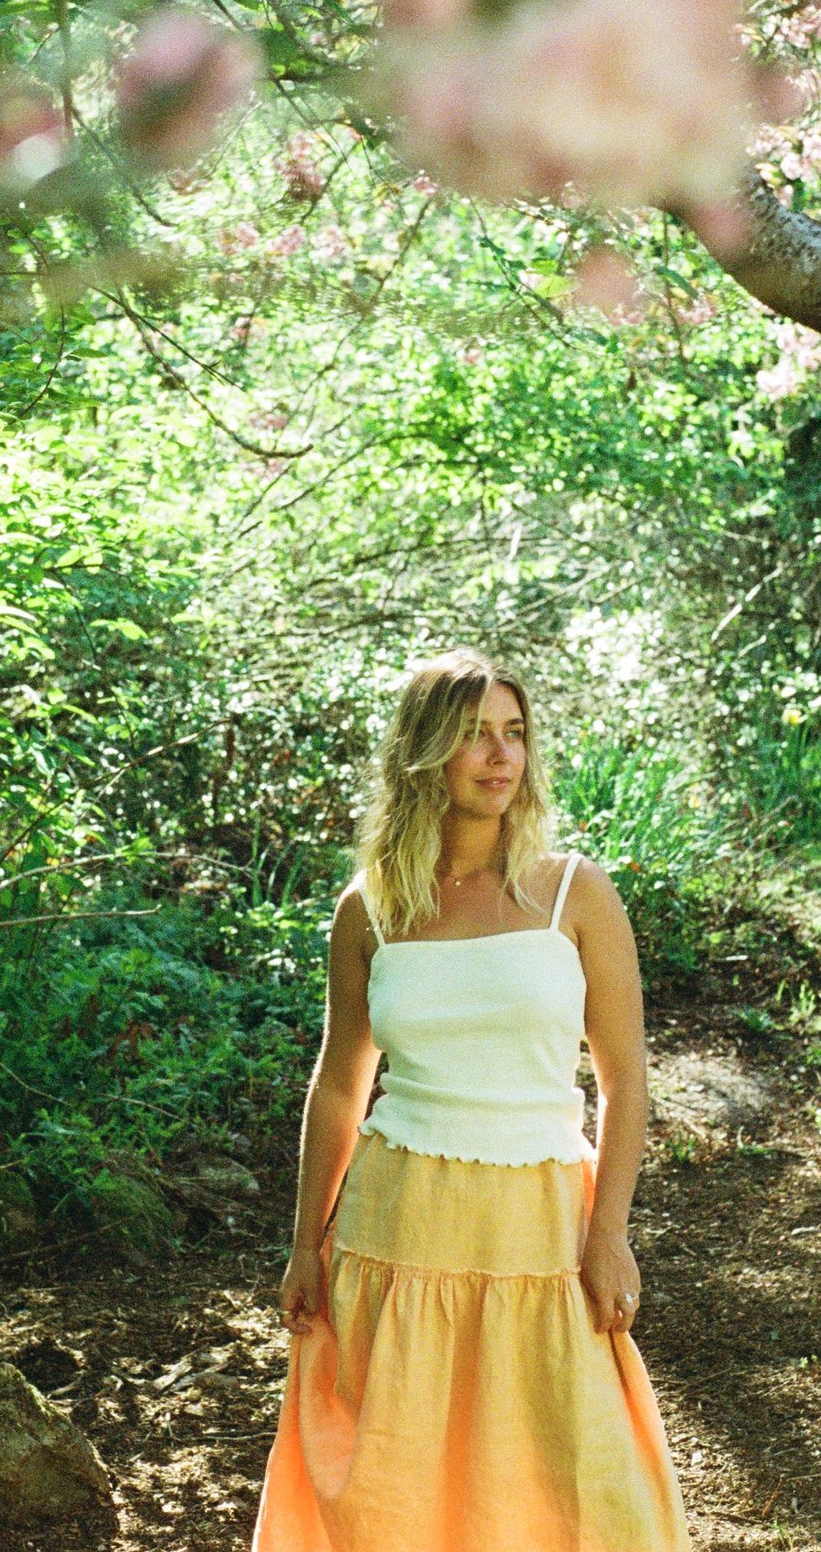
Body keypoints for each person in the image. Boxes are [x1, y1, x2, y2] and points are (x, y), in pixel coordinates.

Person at [250, 649, 693, 1551]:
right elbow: (342, 1082)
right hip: (396, 1225)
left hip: (539, 1225)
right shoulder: (370, 908)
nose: (500, 755)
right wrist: (304, 1243)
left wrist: (608, 1229)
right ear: (425, 754)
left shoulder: (576, 893)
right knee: (394, 1482)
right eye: (473, 734)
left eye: (514, 733)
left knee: (583, 1477)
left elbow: (624, 1076)